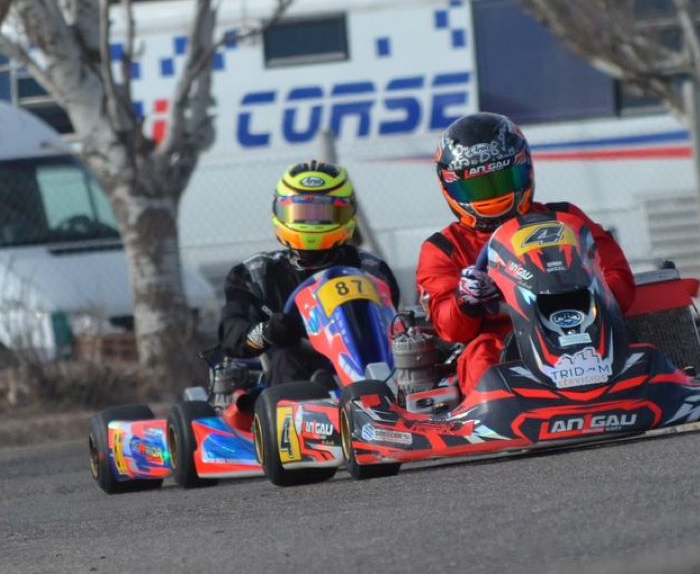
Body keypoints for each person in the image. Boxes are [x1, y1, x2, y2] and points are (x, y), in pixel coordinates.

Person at [416, 112, 636, 398]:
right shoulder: (444, 248)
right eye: (480, 187)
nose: (493, 197)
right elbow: (450, 329)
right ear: (451, 187)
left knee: (634, 330)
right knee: (481, 352)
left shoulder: (565, 218)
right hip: (507, 344)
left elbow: (620, 281)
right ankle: (499, 406)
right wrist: (466, 301)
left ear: (525, 170)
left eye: (502, 180)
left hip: (587, 330)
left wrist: (590, 284)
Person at [218, 160, 401, 387]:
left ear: (346, 213)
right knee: (288, 357)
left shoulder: (371, 269)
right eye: (302, 212)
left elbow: (392, 325)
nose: (312, 221)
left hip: (371, 367)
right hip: (296, 377)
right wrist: (268, 331)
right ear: (281, 211)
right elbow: (231, 338)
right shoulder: (255, 275)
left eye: (323, 212)